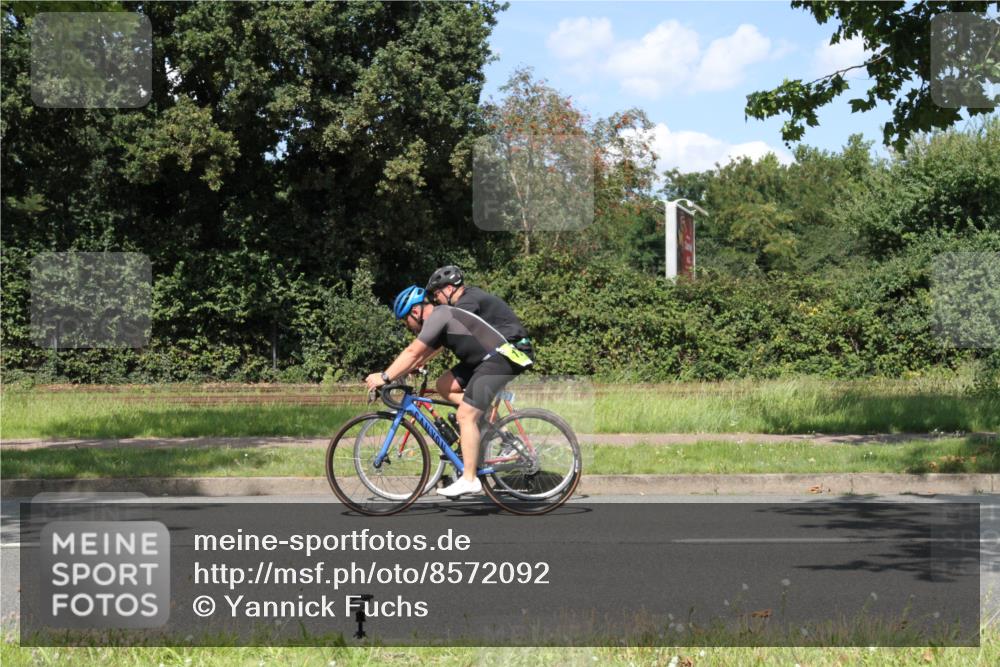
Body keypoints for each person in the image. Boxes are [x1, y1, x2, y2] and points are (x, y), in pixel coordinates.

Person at [365, 278, 533, 497]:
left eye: (405, 320)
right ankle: (480, 420)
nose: (407, 326)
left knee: (465, 415)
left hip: (499, 358)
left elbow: (412, 352)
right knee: (444, 385)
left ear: (415, 311)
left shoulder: (439, 315)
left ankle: (470, 479)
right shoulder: (440, 320)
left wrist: (384, 376)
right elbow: (418, 358)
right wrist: (402, 373)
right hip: (484, 360)